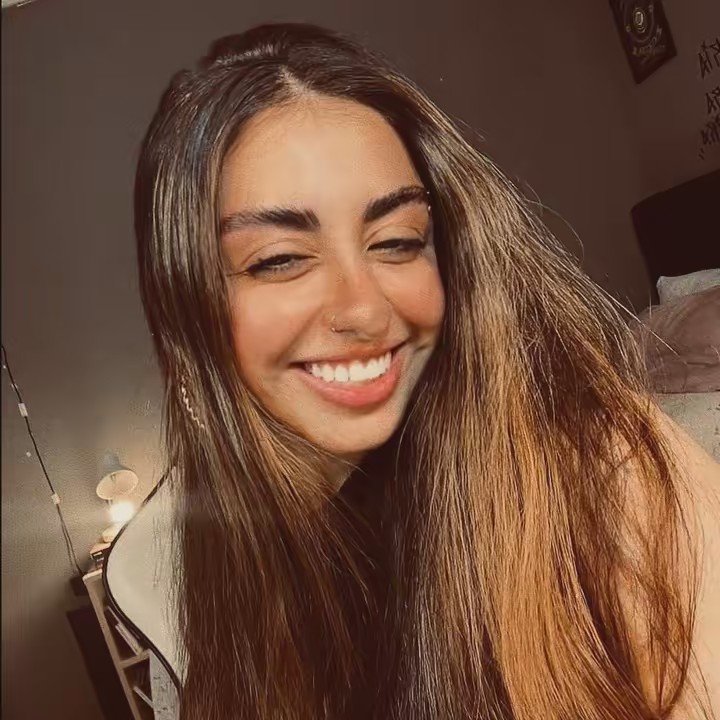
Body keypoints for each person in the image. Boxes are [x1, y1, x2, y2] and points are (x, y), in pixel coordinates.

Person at [109, 21, 720, 720]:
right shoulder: (207, 585)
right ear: (186, 313)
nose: (365, 309)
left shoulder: (609, 480)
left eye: (397, 242)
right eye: (279, 259)